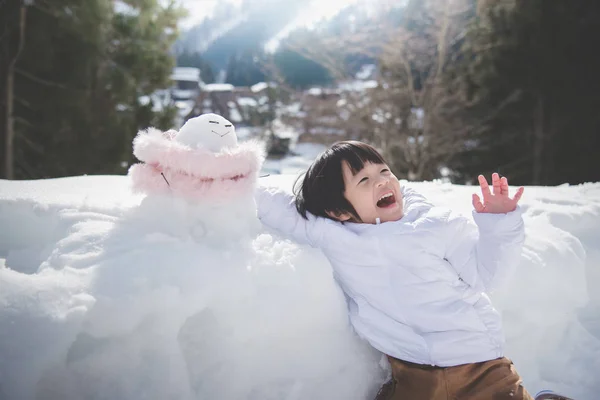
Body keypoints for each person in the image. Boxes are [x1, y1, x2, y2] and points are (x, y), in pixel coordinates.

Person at [256, 141, 532, 400]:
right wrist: (230, 175)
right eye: (363, 180)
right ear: (338, 211)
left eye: (384, 171)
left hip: (479, 365)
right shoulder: (334, 237)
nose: (382, 180)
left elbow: (488, 275)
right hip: (412, 372)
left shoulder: (435, 225)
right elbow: (282, 209)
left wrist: (499, 224)